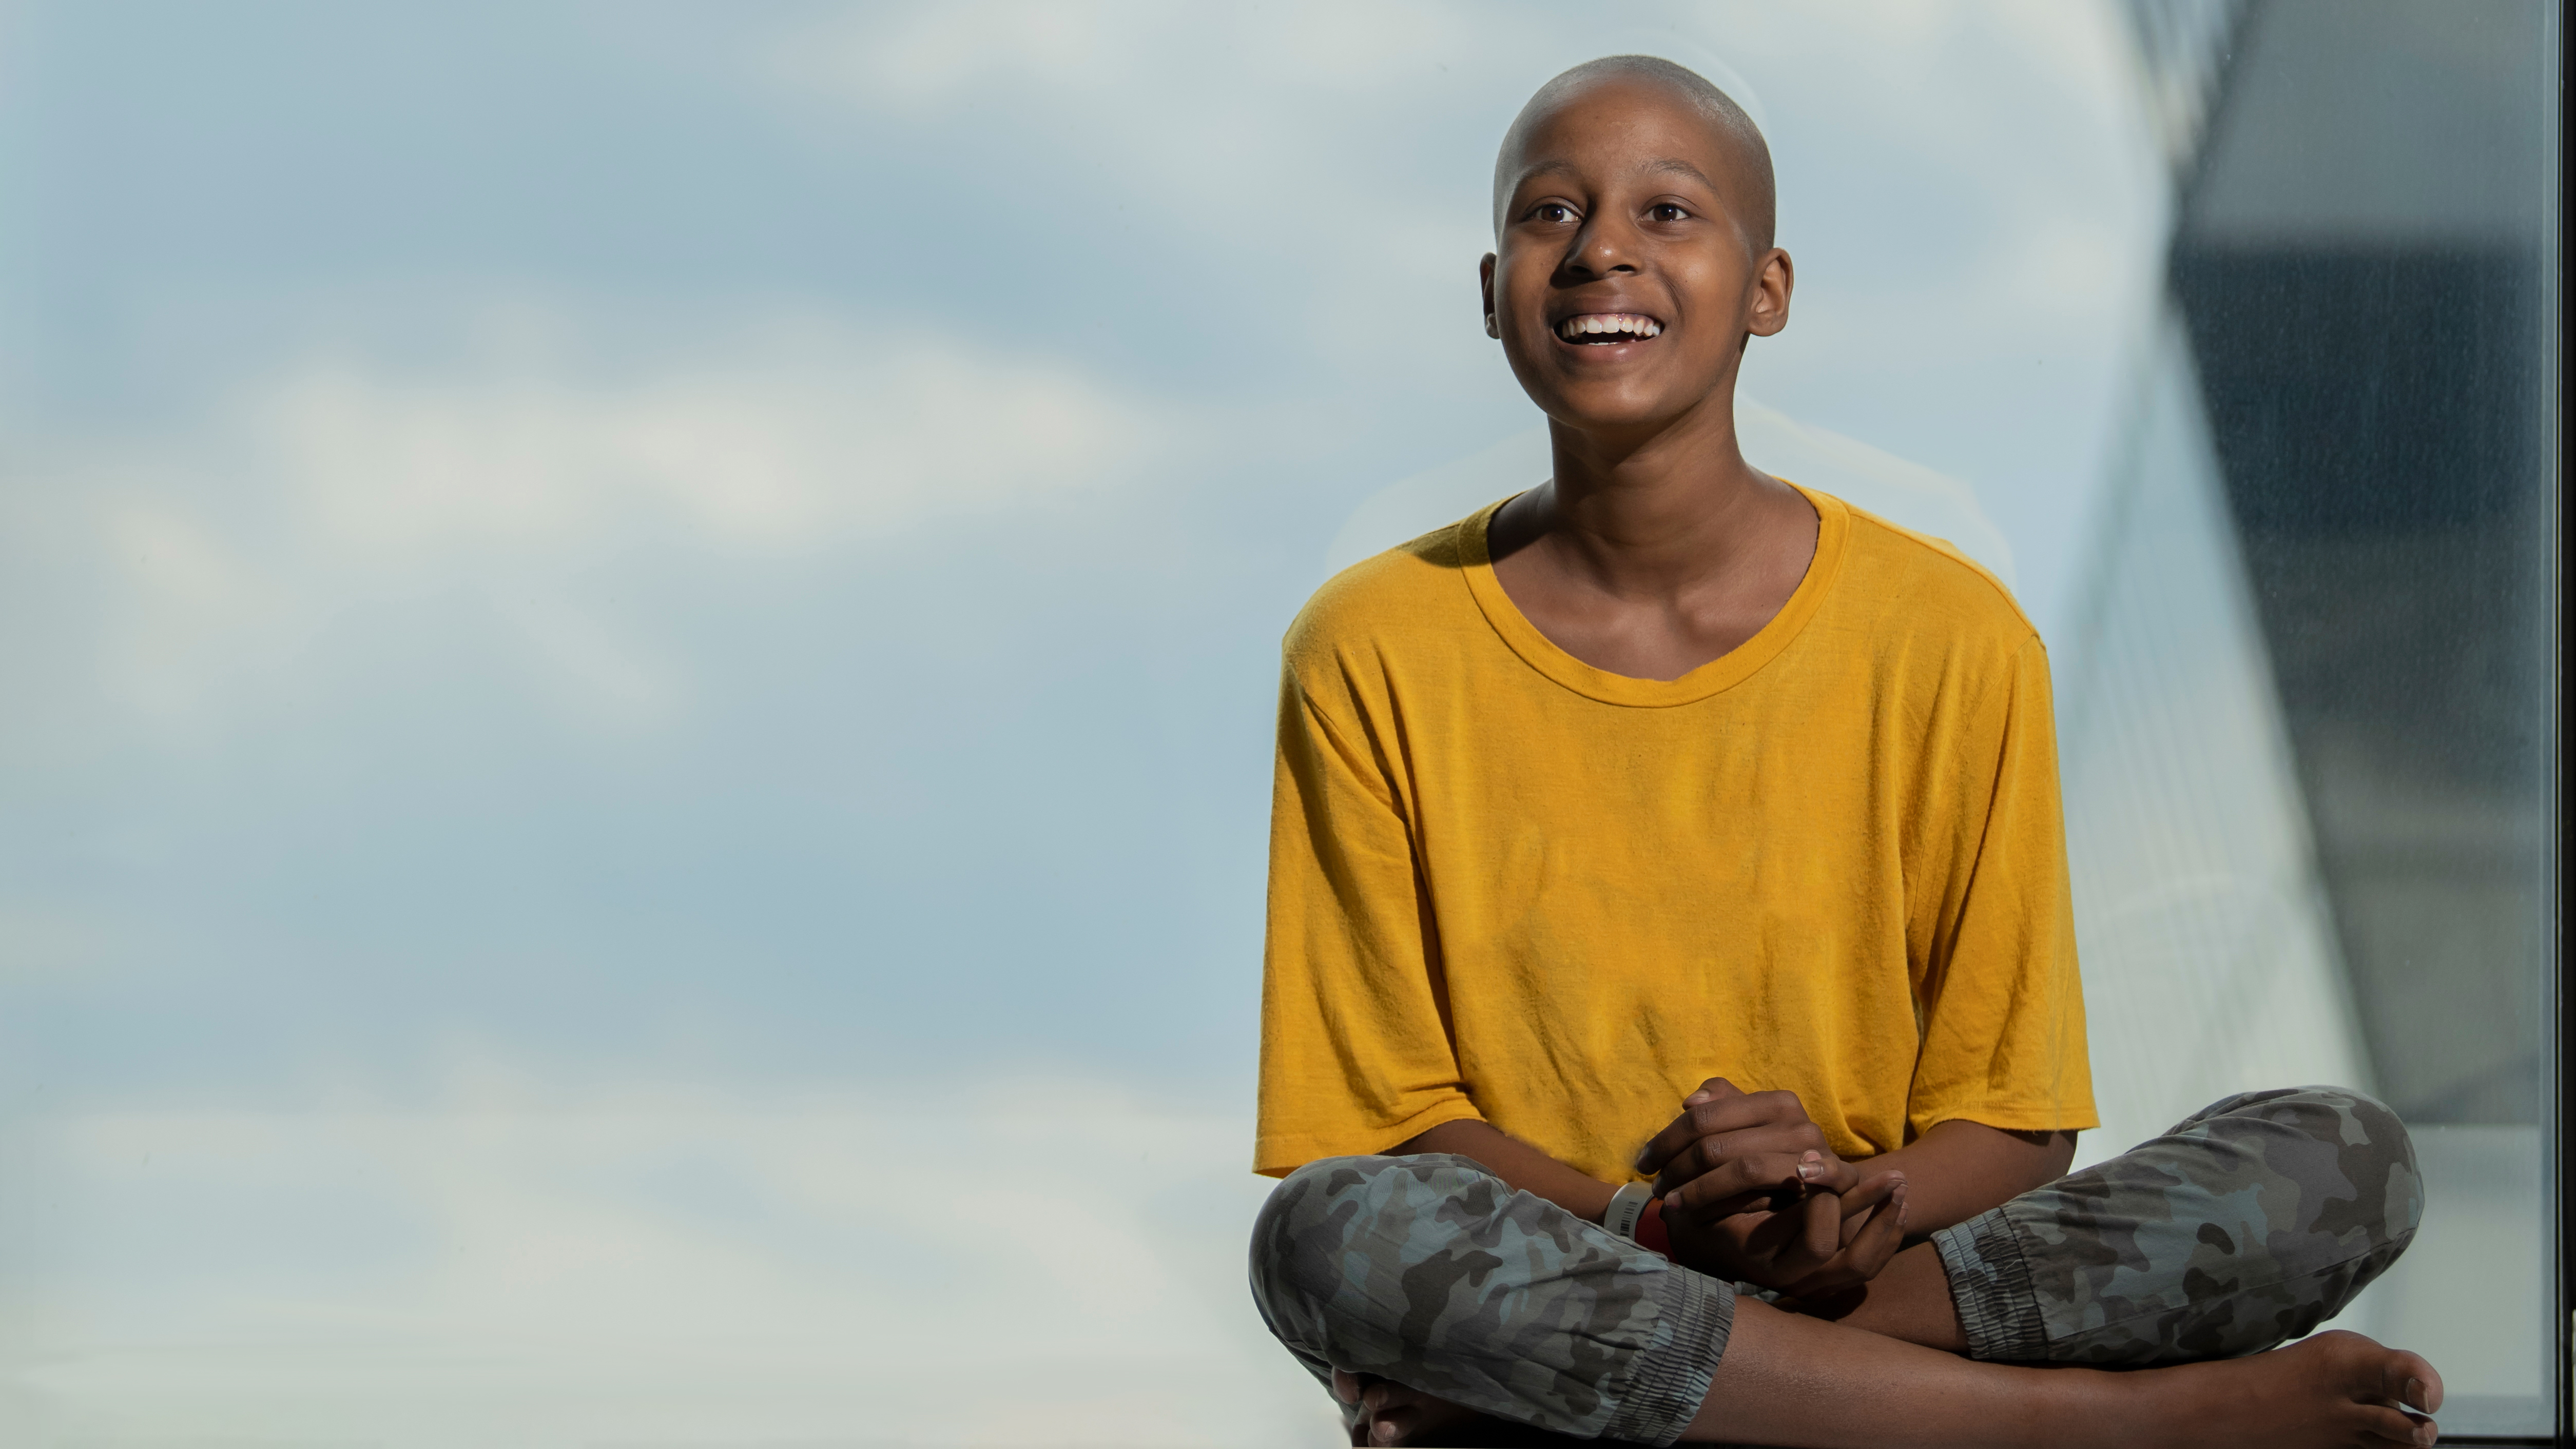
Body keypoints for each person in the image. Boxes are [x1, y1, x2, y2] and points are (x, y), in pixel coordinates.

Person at [1247, 54, 2434, 1449]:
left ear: (1768, 290)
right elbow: (1391, 1126)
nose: (1600, 249)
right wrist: (1653, 1225)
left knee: (2342, 1162)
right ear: (1492, 289)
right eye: (1548, 212)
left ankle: (1606, 1403)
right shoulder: (1370, 643)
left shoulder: (1952, 635)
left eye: (1667, 211)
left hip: (1867, 1258)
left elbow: (2011, 1120)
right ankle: (2122, 1428)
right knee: (1328, 1232)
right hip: (1570, 1251)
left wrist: (1837, 1210)